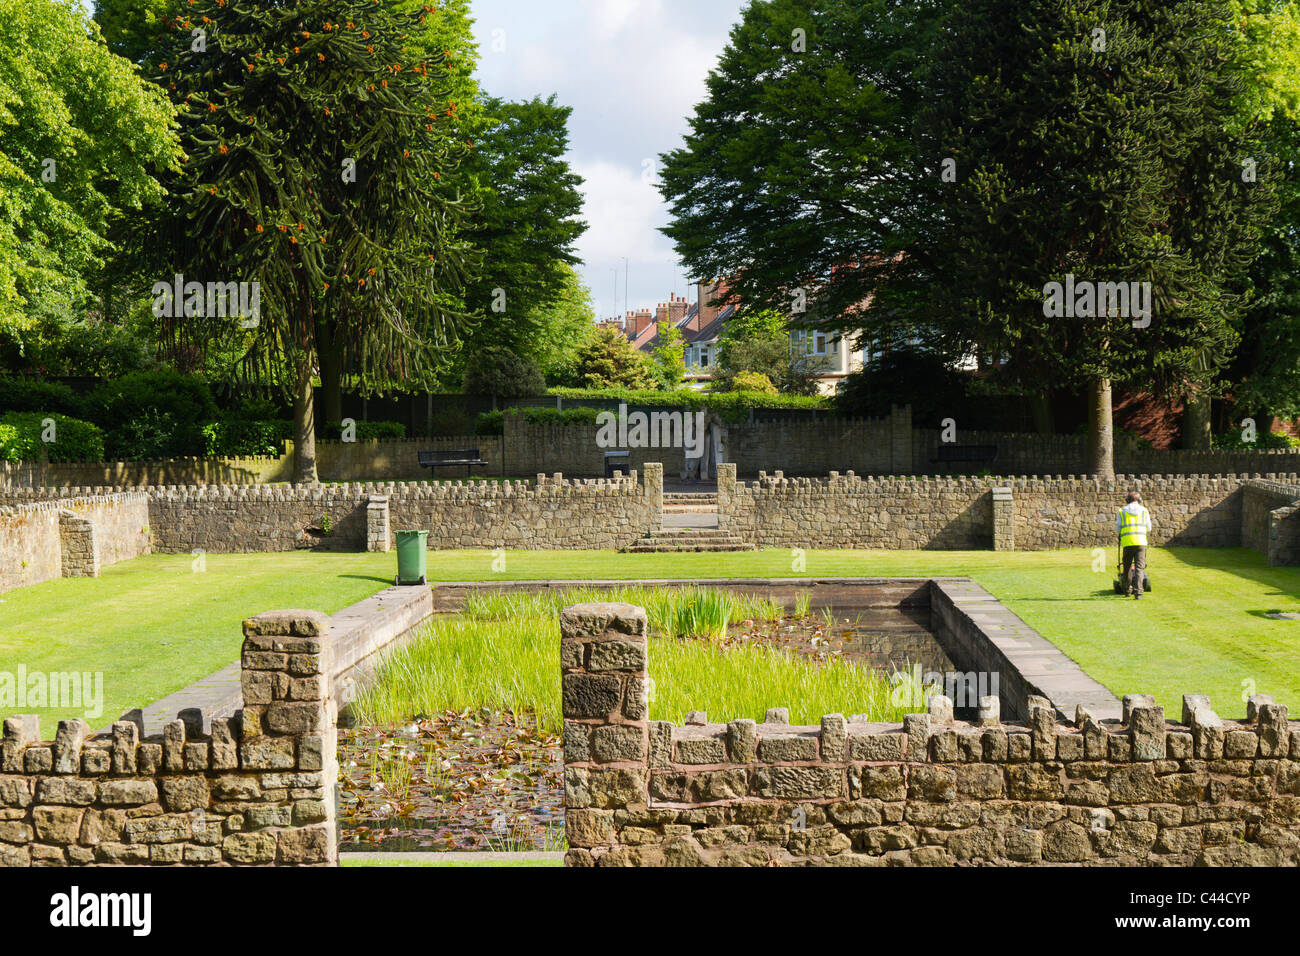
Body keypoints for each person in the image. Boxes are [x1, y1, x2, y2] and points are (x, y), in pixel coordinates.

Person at [1117, 491, 1152, 599]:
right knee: (1139, 568)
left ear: (1127, 500)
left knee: (1127, 567)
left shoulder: (1122, 511)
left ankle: (1127, 590)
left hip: (1127, 542)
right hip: (1141, 542)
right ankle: (1139, 593)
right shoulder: (1144, 511)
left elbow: (1118, 527)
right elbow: (1149, 528)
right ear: (1139, 500)